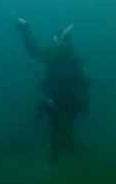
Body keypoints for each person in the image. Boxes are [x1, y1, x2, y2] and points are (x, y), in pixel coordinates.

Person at [14, 17, 90, 161]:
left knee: (59, 138)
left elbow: (34, 51)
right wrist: (25, 31)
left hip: (63, 101)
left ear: (60, 43)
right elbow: (35, 52)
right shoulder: (63, 58)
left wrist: (25, 31)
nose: (51, 44)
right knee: (58, 137)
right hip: (61, 102)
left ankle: (79, 156)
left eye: (53, 42)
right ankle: (56, 161)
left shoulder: (62, 58)